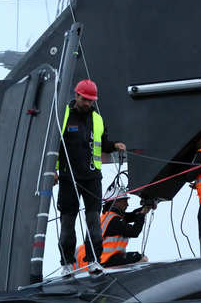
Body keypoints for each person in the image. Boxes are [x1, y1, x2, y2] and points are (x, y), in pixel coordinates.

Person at [55, 79, 126, 274]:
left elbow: (102, 144)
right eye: (84, 99)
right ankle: (67, 264)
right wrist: (53, 170)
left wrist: (114, 145)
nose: (87, 103)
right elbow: (54, 146)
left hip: (92, 177)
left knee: (94, 221)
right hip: (69, 177)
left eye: (91, 100)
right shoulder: (63, 115)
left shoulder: (97, 118)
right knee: (68, 223)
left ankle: (94, 260)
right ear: (76, 96)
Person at [76, 189, 149, 269]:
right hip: (105, 261)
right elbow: (134, 232)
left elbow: (132, 216)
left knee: (135, 257)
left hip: (104, 259)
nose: (127, 205)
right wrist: (142, 214)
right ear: (116, 202)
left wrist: (145, 207)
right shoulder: (114, 221)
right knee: (139, 258)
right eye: (125, 201)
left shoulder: (109, 217)